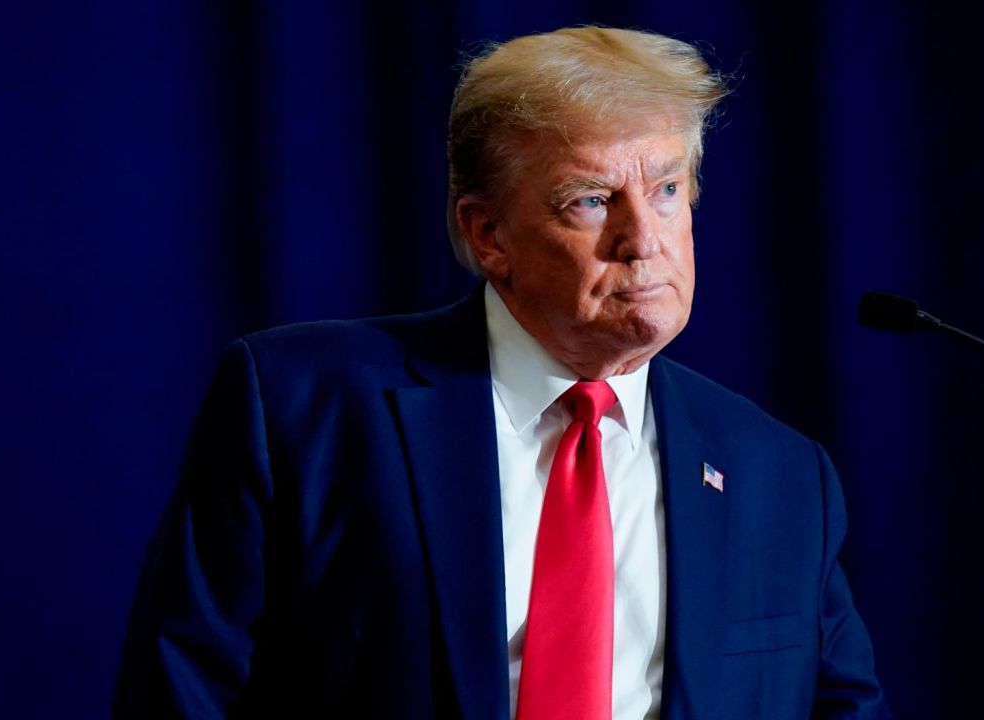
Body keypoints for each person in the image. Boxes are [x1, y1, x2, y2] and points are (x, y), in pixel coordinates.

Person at [114, 26, 890, 719]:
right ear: (488, 234)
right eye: (591, 201)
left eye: (666, 190)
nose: (642, 240)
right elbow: (183, 691)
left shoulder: (779, 471)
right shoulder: (302, 404)